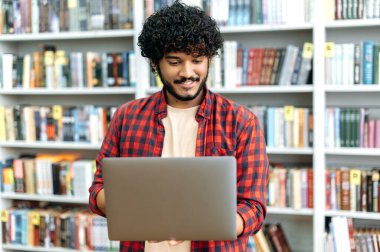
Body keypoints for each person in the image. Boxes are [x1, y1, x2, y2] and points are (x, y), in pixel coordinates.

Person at [89, 1, 269, 251]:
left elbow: (254, 207)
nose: (188, 73)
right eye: (175, 62)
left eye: (197, 60)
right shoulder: (126, 117)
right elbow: (97, 191)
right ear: (156, 64)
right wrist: (138, 214)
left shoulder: (241, 122)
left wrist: (202, 225)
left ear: (209, 60)